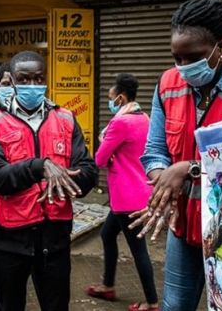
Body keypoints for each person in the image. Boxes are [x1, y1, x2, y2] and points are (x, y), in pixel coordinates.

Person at [130, 0, 222, 311]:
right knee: (174, 306)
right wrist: (164, 187)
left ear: (220, 47)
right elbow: (154, 152)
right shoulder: (167, 83)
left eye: (193, 57)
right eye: (177, 58)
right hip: (184, 225)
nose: (183, 67)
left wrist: (189, 169)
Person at [0, 51, 98, 311]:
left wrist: (69, 180)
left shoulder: (65, 119)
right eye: (24, 79)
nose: (32, 86)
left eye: (38, 78)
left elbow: (88, 170)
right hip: (7, 242)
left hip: (54, 243)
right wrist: (39, 167)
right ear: (13, 80)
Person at [86, 73, 158, 311]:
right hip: (138, 193)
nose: (109, 102)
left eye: (110, 98)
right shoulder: (144, 118)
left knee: (139, 251)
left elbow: (99, 159)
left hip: (127, 199)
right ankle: (108, 285)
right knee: (107, 234)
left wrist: (106, 145)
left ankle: (152, 302)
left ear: (120, 98)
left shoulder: (120, 123)